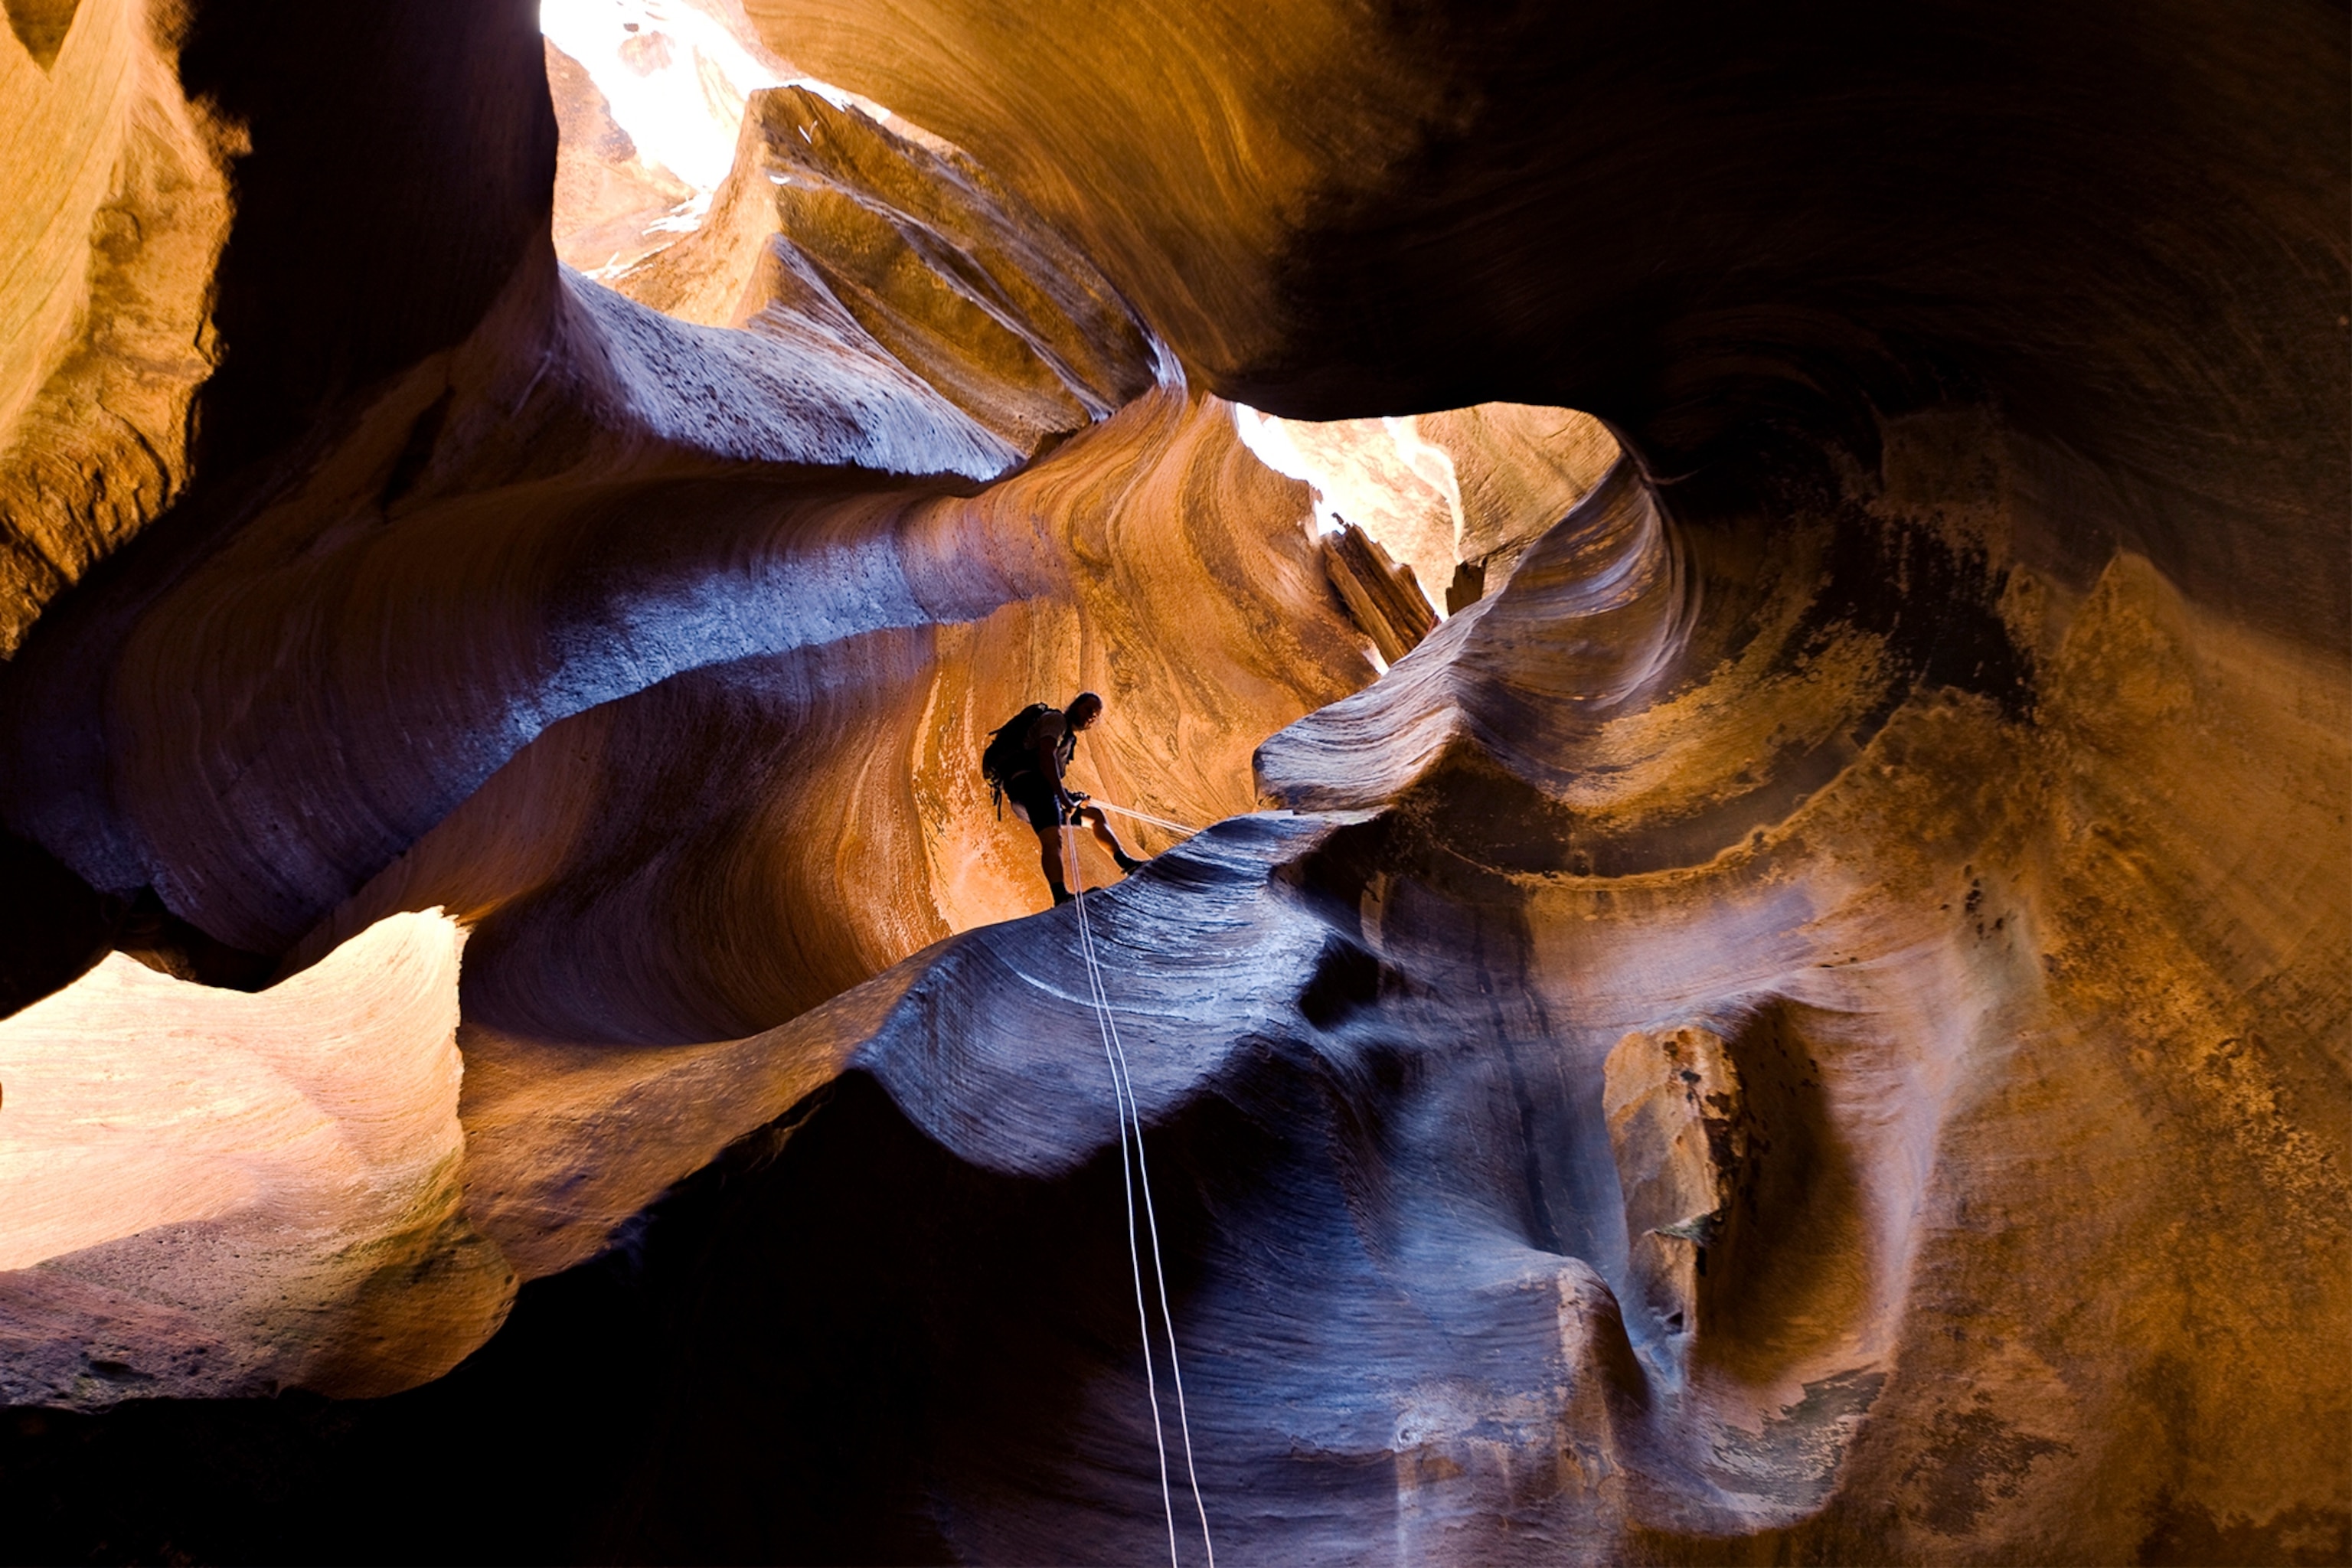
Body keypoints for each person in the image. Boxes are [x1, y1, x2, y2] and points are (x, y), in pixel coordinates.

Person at [992, 691, 1145, 905]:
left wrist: (1071, 798)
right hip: (1030, 785)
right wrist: (1064, 798)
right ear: (1075, 705)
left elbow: (1048, 770)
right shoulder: (1055, 720)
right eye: (1089, 709)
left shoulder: (1068, 738)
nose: (1091, 716)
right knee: (1052, 839)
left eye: (1095, 715)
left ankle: (1126, 863)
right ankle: (1060, 896)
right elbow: (1046, 756)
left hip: (1031, 793)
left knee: (1093, 816)